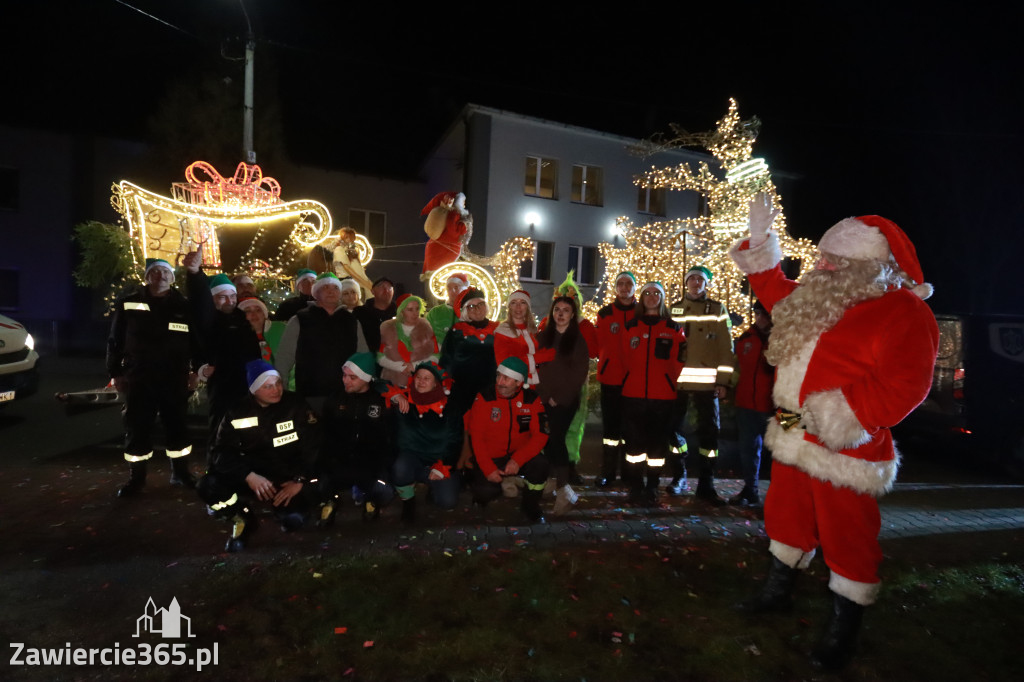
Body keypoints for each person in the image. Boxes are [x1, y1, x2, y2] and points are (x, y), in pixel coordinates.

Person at [729, 194, 939, 670]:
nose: (820, 265)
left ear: (868, 265)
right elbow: (770, 287)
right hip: (790, 427)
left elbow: (908, 383)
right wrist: (761, 242)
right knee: (785, 511)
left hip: (844, 442)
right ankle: (778, 589)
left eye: (832, 259)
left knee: (847, 530)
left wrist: (841, 415)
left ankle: (845, 624)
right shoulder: (817, 296)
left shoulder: (903, 311)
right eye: (822, 257)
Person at [197, 360, 321, 552]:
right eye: (268, 386)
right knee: (208, 486)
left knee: (293, 521)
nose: (276, 390)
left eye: (278, 383)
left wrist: (300, 479)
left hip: (285, 475)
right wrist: (248, 475)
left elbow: (313, 445)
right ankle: (242, 516)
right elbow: (220, 452)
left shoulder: (295, 405)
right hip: (251, 475)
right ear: (254, 389)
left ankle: (284, 510)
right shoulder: (236, 411)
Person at [106, 258, 201, 497]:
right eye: (155, 272)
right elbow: (115, 340)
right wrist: (115, 372)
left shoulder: (184, 305)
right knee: (137, 426)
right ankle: (136, 478)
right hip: (139, 376)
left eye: (166, 272)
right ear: (147, 277)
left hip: (174, 377)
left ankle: (180, 473)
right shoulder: (128, 303)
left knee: (177, 424)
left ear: (173, 277)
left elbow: (197, 342)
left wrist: (196, 371)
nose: (161, 276)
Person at [669, 265, 735, 504]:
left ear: (706, 284)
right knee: (671, 431)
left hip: (707, 386)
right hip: (677, 385)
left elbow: (726, 348)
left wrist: (723, 381)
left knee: (709, 436)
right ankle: (679, 475)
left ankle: (706, 484)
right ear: (686, 283)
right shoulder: (673, 308)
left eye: (700, 279)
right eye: (692, 279)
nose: (696, 283)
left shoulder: (717, 309)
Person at [184, 256, 263, 452]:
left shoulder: (241, 319)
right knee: (220, 427)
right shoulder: (208, 320)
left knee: (247, 427)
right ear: (212, 299)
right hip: (223, 385)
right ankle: (216, 468)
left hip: (246, 384)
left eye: (232, 296)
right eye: (222, 296)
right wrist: (195, 273)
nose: (230, 301)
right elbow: (198, 299)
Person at [620, 282, 687, 506]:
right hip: (633, 395)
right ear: (641, 298)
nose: (651, 297)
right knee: (634, 446)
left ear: (662, 298)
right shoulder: (631, 327)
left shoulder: (673, 328)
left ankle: (652, 486)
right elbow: (623, 358)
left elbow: (680, 360)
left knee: (657, 446)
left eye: (656, 293)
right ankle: (636, 485)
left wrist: (669, 381)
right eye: (647, 293)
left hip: (663, 397)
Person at [463, 357, 550, 524]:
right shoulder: (484, 398)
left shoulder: (531, 399)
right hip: (491, 456)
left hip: (519, 455)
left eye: (506, 378)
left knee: (541, 465)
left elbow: (541, 435)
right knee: (485, 492)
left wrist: (518, 459)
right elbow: (477, 437)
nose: (499, 382)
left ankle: (530, 505)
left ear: (518, 382)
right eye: (498, 376)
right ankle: (484, 492)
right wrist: (488, 469)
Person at [316, 352, 394, 523]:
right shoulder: (335, 400)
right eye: (344, 375)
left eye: (352, 377)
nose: (346, 380)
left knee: (385, 492)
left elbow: (388, 438)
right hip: (341, 460)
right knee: (317, 485)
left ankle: (369, 498)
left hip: (369, 462)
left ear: (366, 379)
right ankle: (331, 500)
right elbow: (324, 435)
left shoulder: (380, 401)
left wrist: (381, 465)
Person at [274, 272, 369, 412]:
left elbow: (363, 356)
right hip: (310, 394)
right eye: (325, 287)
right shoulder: (300, 320)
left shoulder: (351, 321)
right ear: (315, 292)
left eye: (335, 288)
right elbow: (284, 358)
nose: (331, 291)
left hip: (345, 394)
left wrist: (363, 388)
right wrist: (283, 392)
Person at [536, 296, 590, 515]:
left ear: (572, 315)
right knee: (547, 439)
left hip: (565, 401)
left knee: (556, 439)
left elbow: (579, 374)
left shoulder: (577, 340)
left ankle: (564, 488)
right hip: (544, 399)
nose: (560, 314)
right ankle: (551, 479)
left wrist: (559, 397)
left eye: (565, 310)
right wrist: (545, 395)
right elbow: (536, 366)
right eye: (557, 309)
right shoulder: (542, 337)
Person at [388, 362, 462, 523]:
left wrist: (444, 466)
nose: (421, 381)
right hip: (412, 459)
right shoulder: (405, 399)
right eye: (418, 377)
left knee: (447, 502)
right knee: (400, 468)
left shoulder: (450, 406)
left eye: (426, 378)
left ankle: (434, 487)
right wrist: (395, 395)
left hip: (439, 460)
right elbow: (377, 384)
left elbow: (455, 440)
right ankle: (408, 502)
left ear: (436, 383)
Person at [438, 287, 497, 454]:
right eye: (472, 306)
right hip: (460, 389)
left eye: (480, 304)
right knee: (459, 430)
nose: (477, 309)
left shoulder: (499, 329)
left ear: (486, 307)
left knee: (485, 429)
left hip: (489, 388)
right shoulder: (457, 331)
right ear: (465, 311)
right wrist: (445, 386)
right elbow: (447, 359)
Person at [730, 299, 774, 506]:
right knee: (748, 450)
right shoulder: (746, 338)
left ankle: (781, 495)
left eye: (765, 314)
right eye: (758, 314)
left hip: (778, 409)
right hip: (746, 404)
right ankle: (750, 489)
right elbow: (736, 367)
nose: (761, 318)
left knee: (783, 453)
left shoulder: (785, 340)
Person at [595, 271, 637, 487]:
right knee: (610, 431)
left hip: (636, 382)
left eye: (628, 283)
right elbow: (598, 344)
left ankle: (630, 474)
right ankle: (608, 472)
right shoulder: (604, 314)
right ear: (615, 287)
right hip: (610, 379)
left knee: (632, 430)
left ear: (634, 287)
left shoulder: (642, 313)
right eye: (620, 283)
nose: (624, 287)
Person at [377, 294, 438, 388]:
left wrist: (414, 365)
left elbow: (436, 355)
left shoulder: (426, 327)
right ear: (401, 311)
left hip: (421, 383)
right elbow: (380, 357)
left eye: (417, 308)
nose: (415, 313)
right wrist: (400, 367)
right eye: (410, 309)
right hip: (392, 382)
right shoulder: (388, 328)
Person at [493, 290, 547, 387]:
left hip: (535, 383)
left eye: (522, 302)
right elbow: (503, 364)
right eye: (514, 303)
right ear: (509, 307)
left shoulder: (532, 330)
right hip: (514, 384)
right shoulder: (503, 331)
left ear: (528, 307)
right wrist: (535, 359)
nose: (518, 307)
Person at [426, 272, 469, 348]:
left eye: (456, 287)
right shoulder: (435, 312)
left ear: (464, 289)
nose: (452, 291)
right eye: (449, 288)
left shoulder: (472, 312)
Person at [359, 276, 397, 352]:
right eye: (381, 287)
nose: (386, 290)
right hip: (367, 357)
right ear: (372, 291)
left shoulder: (401, 313)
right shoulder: (360, 313)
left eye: (389, 288)